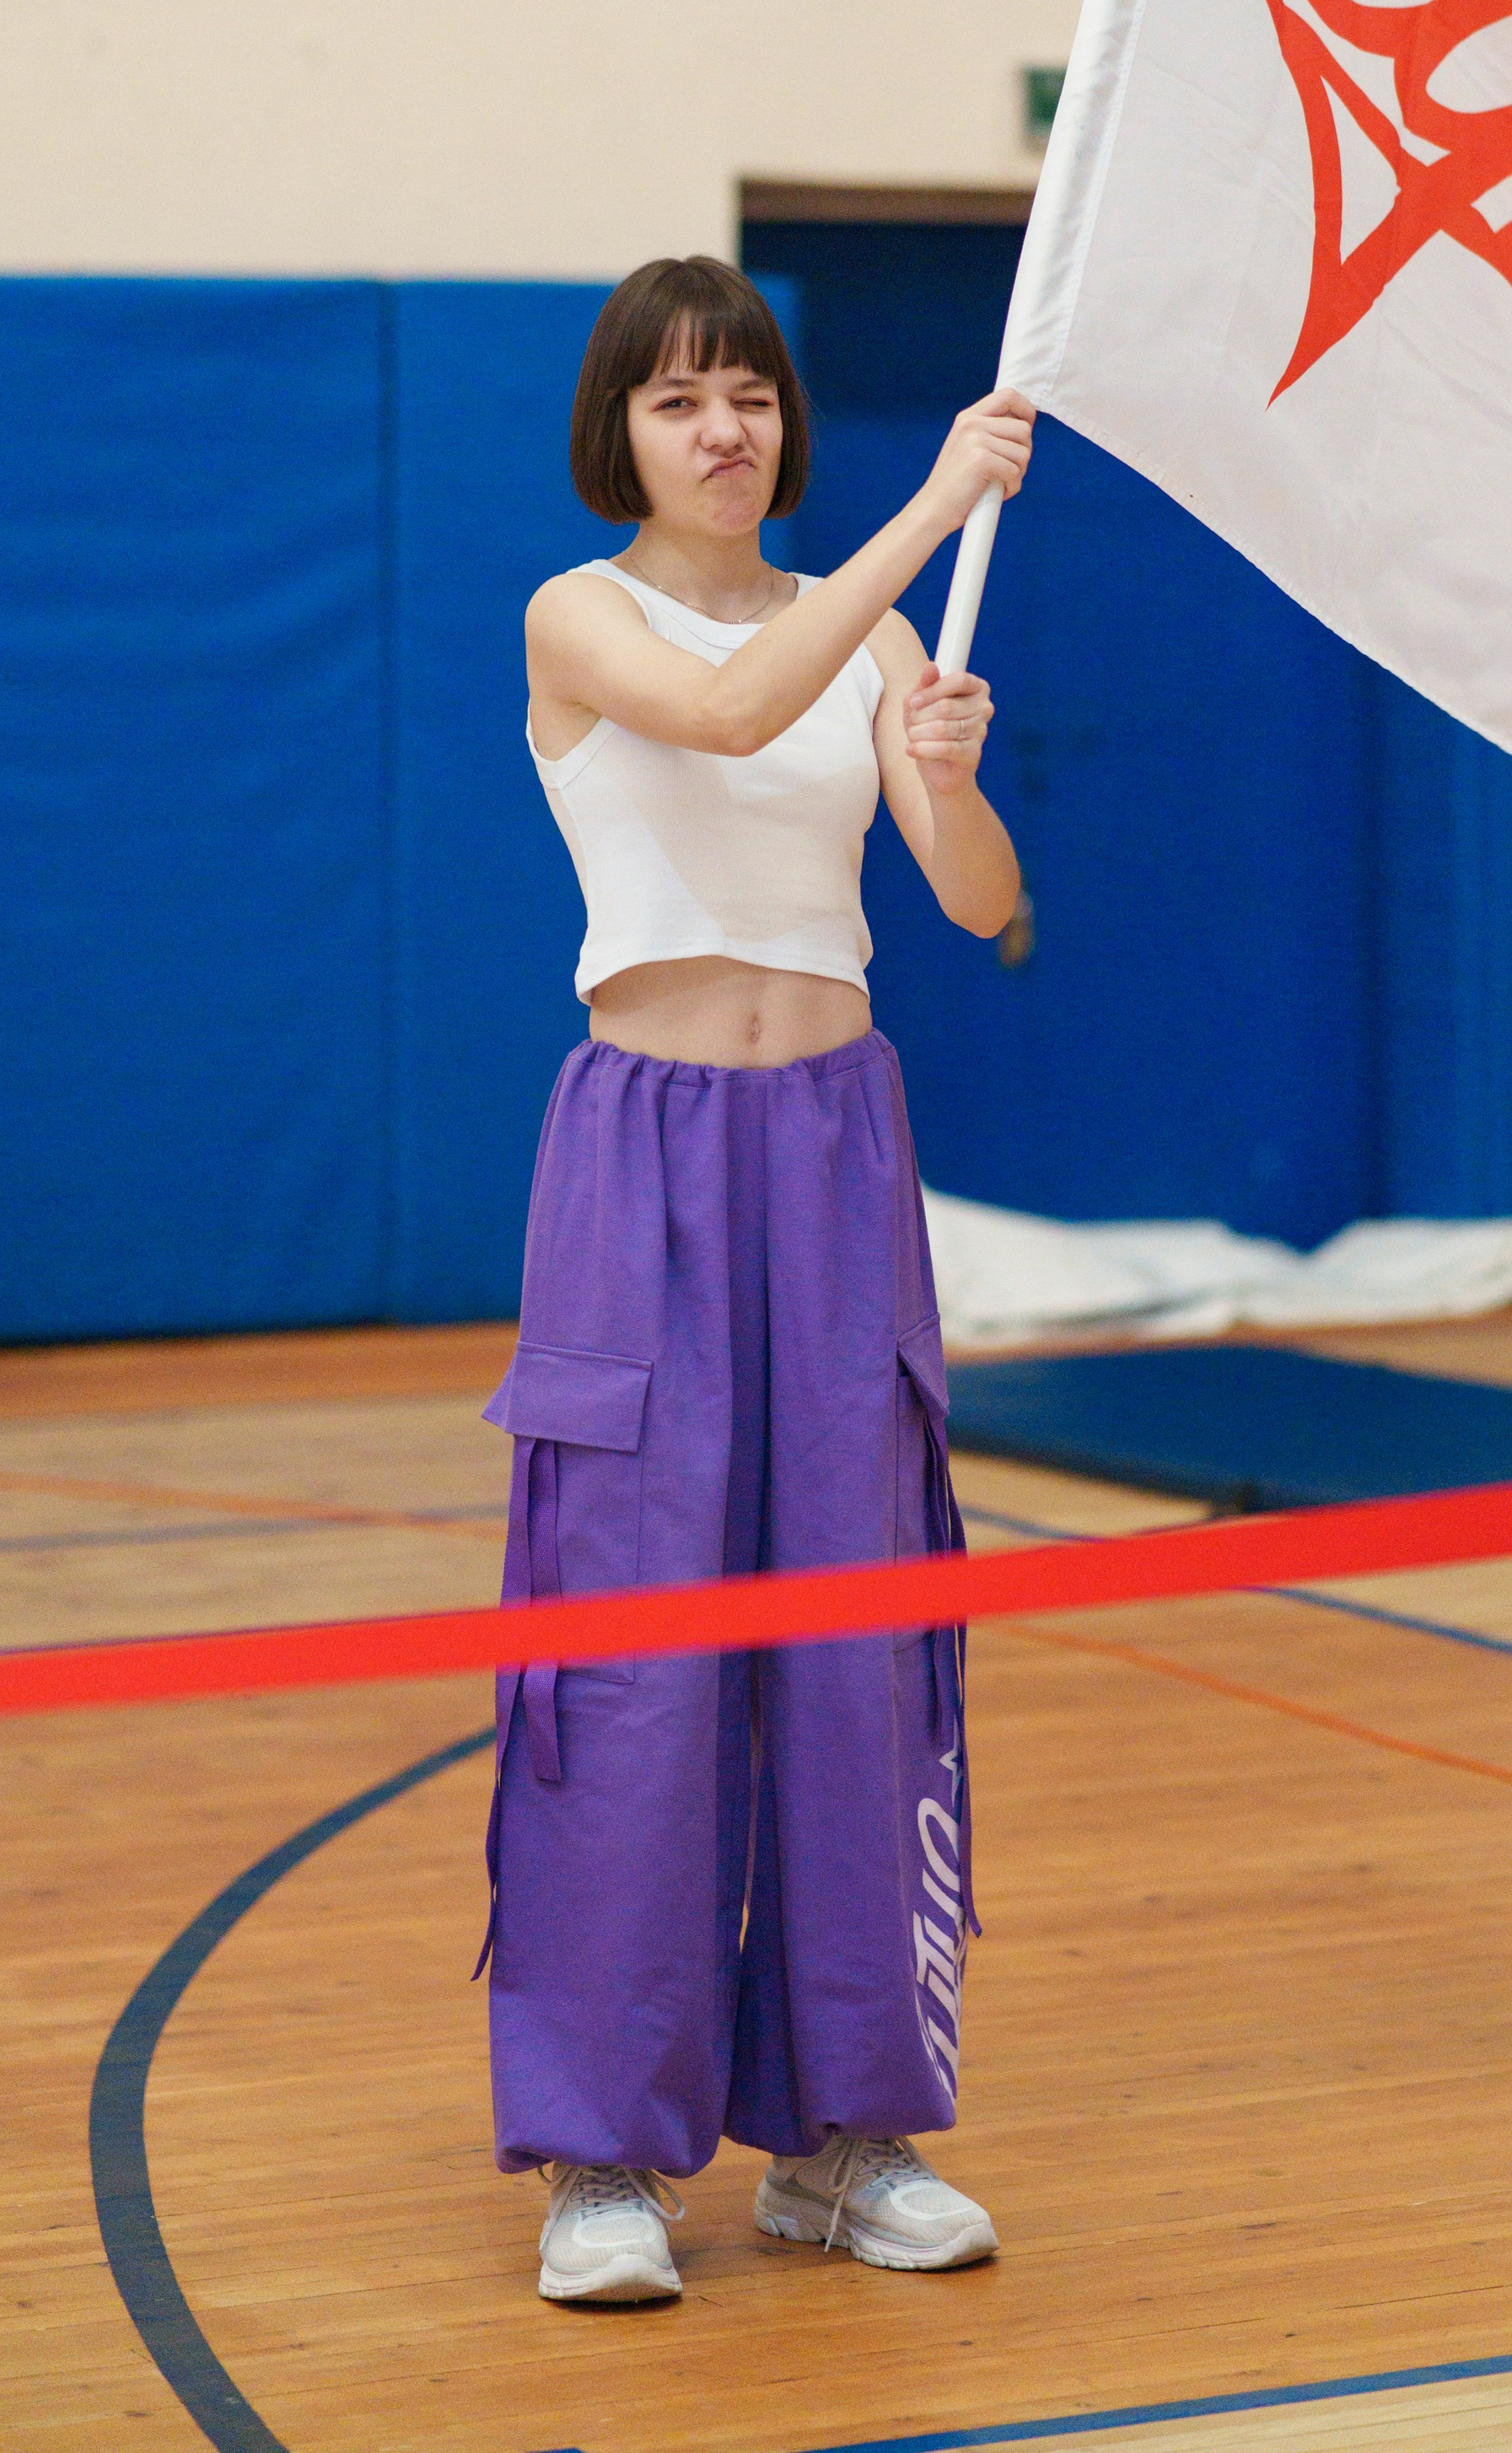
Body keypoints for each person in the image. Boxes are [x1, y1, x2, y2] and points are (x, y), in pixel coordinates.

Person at [481, 253, 1034, 2307]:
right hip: (641, 1160)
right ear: (618, 430)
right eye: (677, 400)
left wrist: (952, 774)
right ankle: (598, 2157)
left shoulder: (878, 631)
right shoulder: (581, 615)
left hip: (835, 1153)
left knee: (853, 1647)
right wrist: (935, 496)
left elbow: (979, 912)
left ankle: (841, 2138)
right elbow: (723, 710)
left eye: (750, 397)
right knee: (629, 1658)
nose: (723, 431)